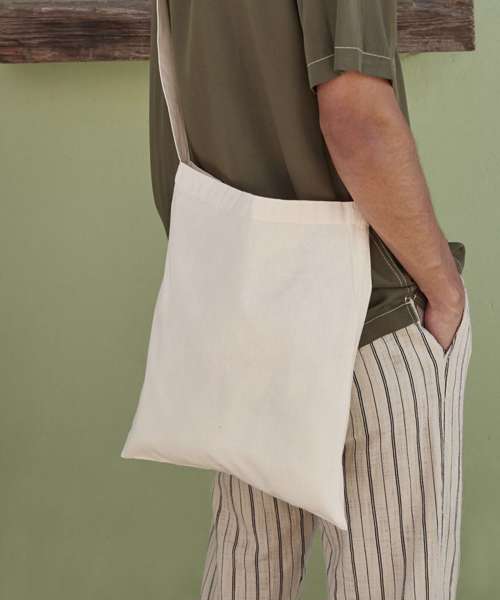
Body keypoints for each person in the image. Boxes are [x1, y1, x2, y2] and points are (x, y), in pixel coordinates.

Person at [148, 1, 472, 598]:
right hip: (372, 324)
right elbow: (356, 120)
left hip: (246, 306)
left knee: (249, 569)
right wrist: (444, 289)